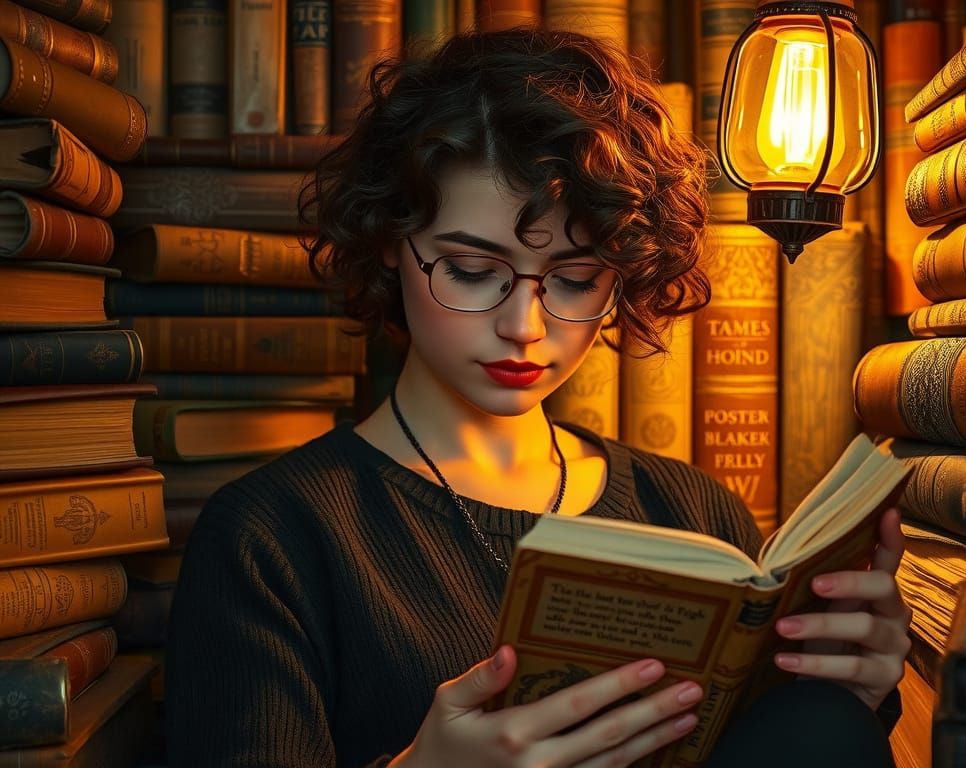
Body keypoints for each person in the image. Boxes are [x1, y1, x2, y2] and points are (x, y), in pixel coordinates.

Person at [165, 27, 911, 768]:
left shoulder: (692, 514)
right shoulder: (273, 536)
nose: (524, 326)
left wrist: (857, 689)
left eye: (576, 280)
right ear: (393, 242)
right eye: (469, 269)